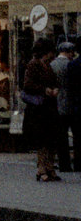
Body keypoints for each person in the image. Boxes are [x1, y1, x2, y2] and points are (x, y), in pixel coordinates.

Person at [22, 37, 60, 182]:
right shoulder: (33, 65)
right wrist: (44, 90)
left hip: (49, 106)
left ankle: (50, 167)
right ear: (46, 51)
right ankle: (42, 169)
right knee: (42, 140)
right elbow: (27, 85)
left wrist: (55, 88)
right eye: (51, 51)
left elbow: (55, 81)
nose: (53, 54)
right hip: (39, 108)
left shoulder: (47, 65)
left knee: (51, 139)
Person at [49, 41, 76, 172]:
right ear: (69, 52)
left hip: (57, 103)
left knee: (61, 136)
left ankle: (64, 163)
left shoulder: (52, 65)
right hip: (71, 102)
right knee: (76, 134)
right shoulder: (71, 65)